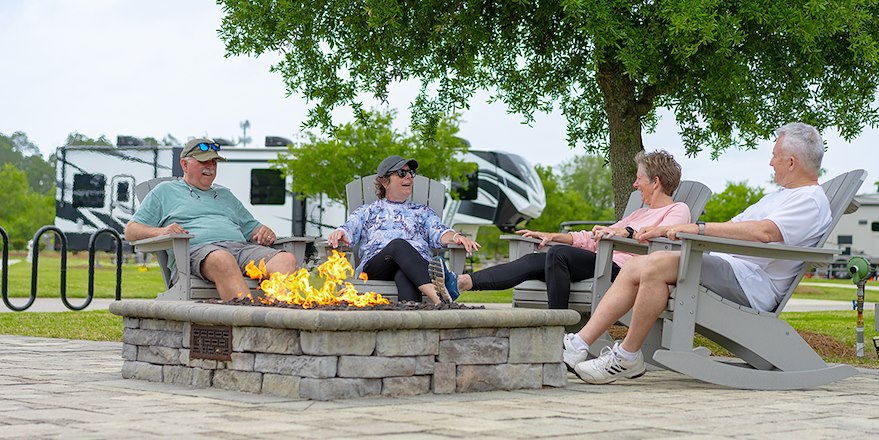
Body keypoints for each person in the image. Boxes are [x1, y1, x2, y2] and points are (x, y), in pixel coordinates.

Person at [566, 122, 832, 384]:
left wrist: (695, 228)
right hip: (732, 268)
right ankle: (579, 344)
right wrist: (676, 231)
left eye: (775, 156)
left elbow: (765, 233)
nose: (771, 163)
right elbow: (733, 227)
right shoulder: (778, 197)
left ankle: (626, 355)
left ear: (792, 162)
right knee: (640, 266)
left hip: (752, 283)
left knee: (656, 264)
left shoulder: (809, 200)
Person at [453, 150, 691, 309]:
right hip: (602, 262)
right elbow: (592, 238)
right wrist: (555, 236)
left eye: (639, 179)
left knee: (558, 255)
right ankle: (462, 282)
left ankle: (557, 326)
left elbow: (663, 236)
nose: (635, 184)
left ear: (656, 182)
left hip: (625, 271)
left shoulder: (678, 210)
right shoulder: (638, 212)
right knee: (533, 260)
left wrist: (626, 233)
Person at [124, 138, 298, 301]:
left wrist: (263, 231)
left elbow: (252, 229)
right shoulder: (165, 192)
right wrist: (163, 231)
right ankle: (249, 324)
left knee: (286, 260)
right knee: (223, 259)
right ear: (184, 164)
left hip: (240, 249)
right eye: (203, 162)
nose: (210, 167)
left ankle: (278, 320)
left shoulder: (225, 195)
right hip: (195, 252)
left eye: (213, 162)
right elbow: (131, 231)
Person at [327, 155, 480, 304]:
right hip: (376, 268)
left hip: (416, 270)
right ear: (385, 182)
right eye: (402, 173)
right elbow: (349, 228)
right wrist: (340, 232)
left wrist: (455, 237)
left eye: (411, 173)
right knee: (398, 245)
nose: (409, 177)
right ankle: (438, 298)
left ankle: (411, 320)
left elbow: (439, 231)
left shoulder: (422, 212)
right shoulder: (368, 211)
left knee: (404, 275)